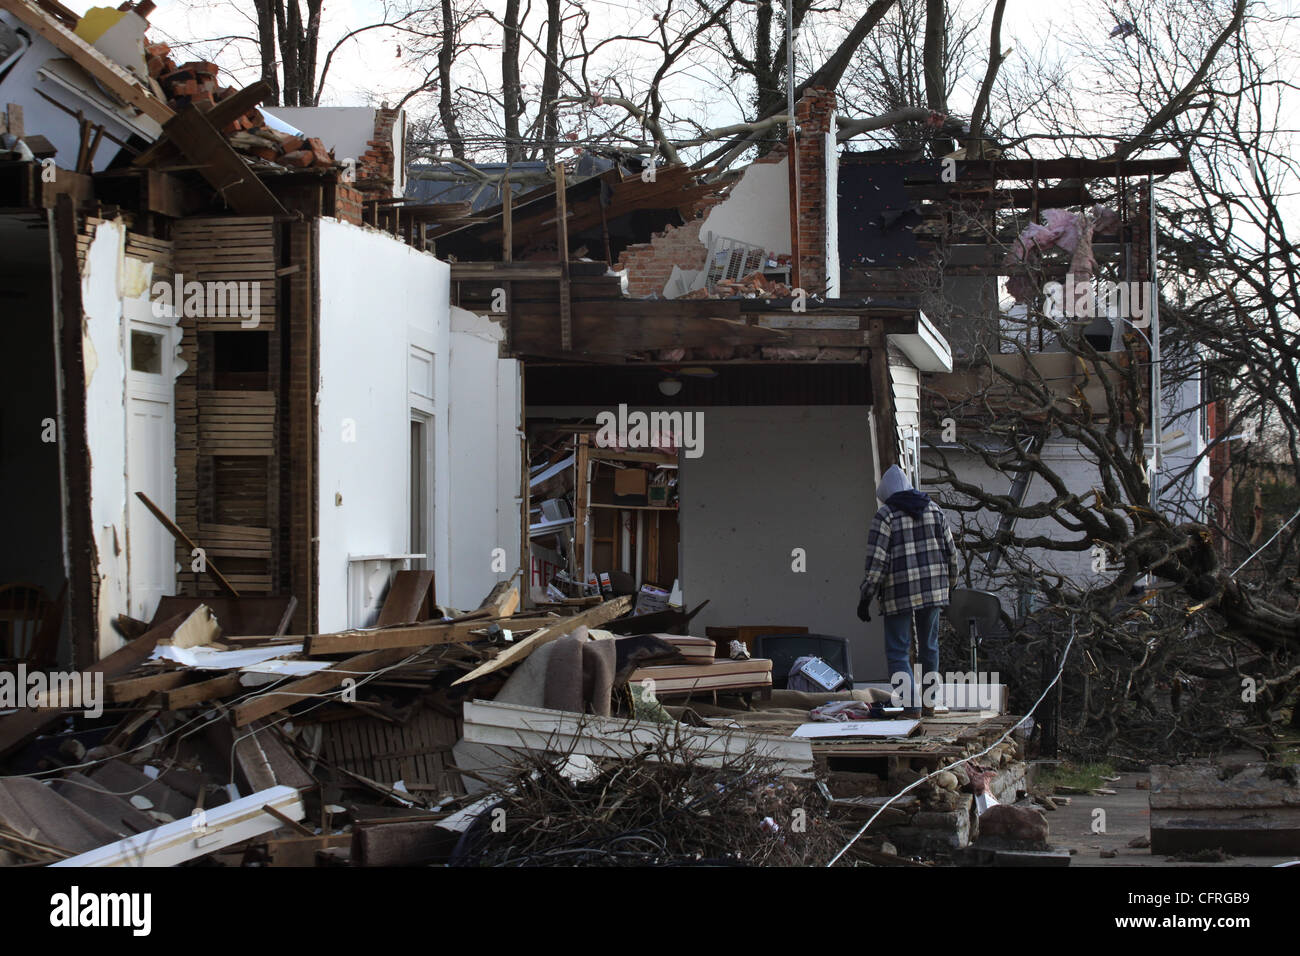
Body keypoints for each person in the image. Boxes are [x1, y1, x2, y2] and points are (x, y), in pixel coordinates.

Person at [857, 464, 959, 717]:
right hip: (934, 590)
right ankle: (929, 702)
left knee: (898, 650)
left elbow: (877, 562)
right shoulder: (935, 510)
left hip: (898, 592)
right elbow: (951, 552)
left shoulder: (886, 516)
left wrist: (865, 597)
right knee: (929, 647)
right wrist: (951, 584)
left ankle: (911, 706)